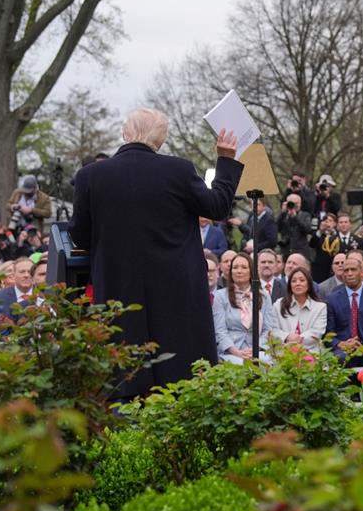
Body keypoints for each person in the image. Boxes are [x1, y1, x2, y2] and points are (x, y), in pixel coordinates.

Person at [69, 109, 243, 399]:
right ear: (161, 140)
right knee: (180, 360)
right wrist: (226, 160)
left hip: (118, 282)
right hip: (176, 284)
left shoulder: (90, 176)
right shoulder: (178, 170)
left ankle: (125, 413)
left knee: (125, 355)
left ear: (124, 133)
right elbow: (217, 208)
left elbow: (80, 234)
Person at [212, 252, 278, 364]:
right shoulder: (220, 296)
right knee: (240, 365)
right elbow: (220, 331)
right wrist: (236, 352)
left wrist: (255, 350)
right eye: (235, 267)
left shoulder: (264, 296)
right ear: (231, 272)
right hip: (231, 352)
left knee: (266, 362)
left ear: (251, 271)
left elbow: (268, 329)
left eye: (243, 267)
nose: (239, 271)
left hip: (257, 350)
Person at [272, 266, 327, 350]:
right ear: (290, 285)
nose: (298, 283)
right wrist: (287, 337)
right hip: (284, 351)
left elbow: (317, 332)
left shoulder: (320, 307)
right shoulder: (278, 304)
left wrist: (297, 341)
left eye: (302, 280)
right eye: (293, 281)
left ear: (309, 284)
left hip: (310, 351)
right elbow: (273, 330)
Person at [276, 193, 314, 260]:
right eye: (291, 203)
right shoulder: (283, 216)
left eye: (296, 203)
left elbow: (307, 230)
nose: (293, 205)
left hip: (301, 251)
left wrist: (295, 217)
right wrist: (282, 212)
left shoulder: (305, 215)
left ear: (300, 204)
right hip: (286, 250)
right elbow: (276, 228)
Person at [309, 213, 341, 283]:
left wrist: (333, 233)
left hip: (332, 267)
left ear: (335, 223)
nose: (328, 223)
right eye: (326, 221)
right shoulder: (320, 235)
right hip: (319, 268)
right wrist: (320, 231)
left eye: (330, 221)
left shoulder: (338, 235)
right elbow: (312, 244)